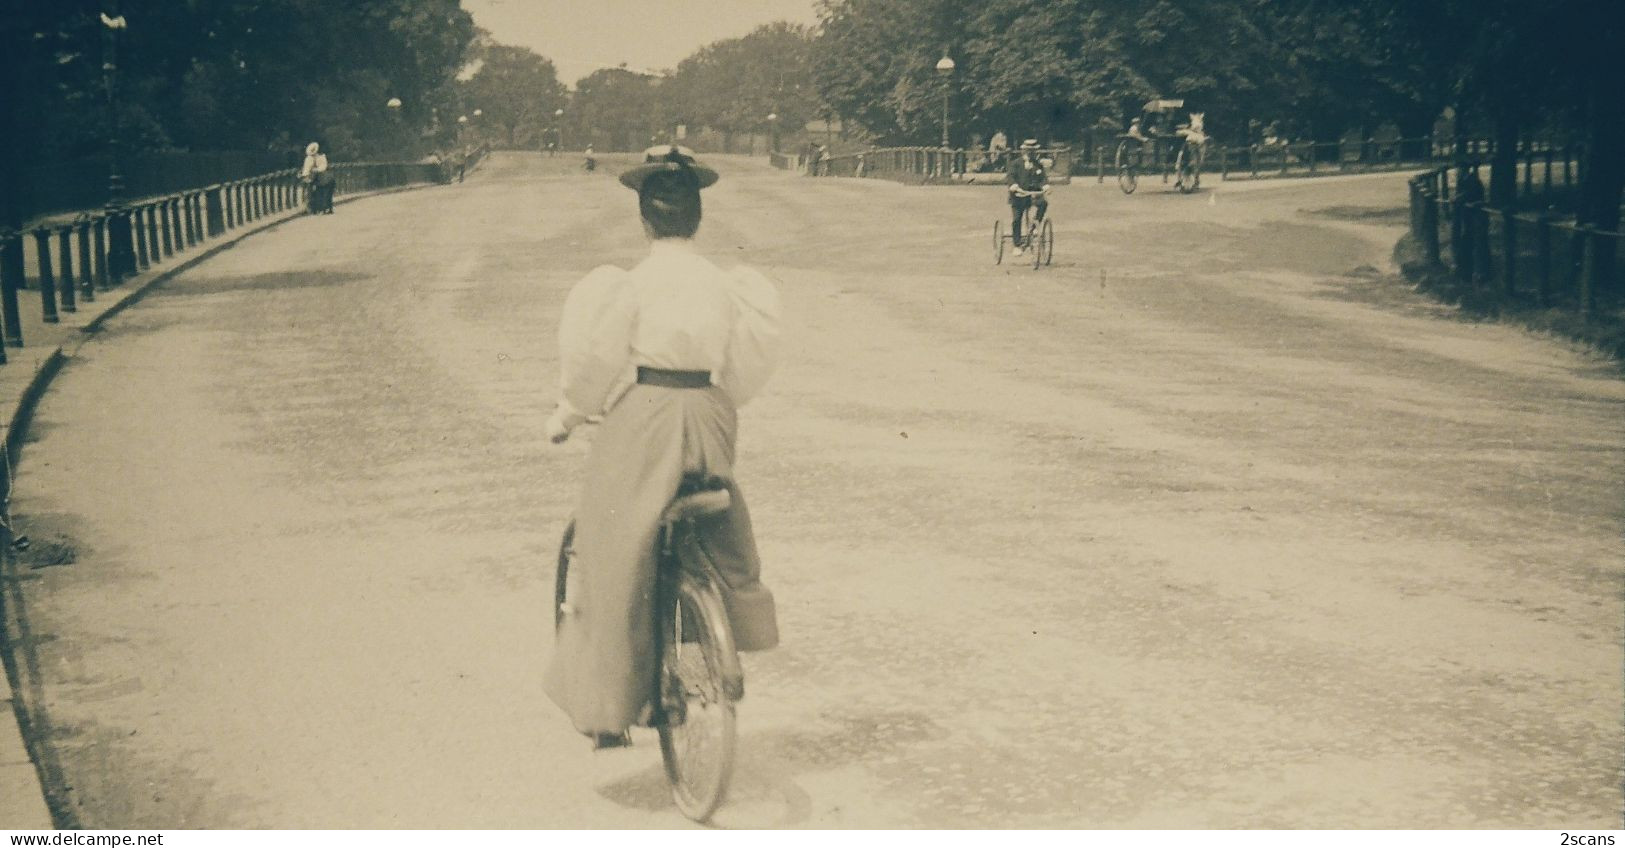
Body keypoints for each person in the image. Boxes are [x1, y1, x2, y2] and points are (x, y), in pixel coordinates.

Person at [542, 145, 781, 750]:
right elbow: (746, 374)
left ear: (645, 221)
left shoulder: (630, 285)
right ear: (697, 220)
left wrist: (570, 414)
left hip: (647, 416)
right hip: (710, 414)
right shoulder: (730, 286)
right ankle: (724, 622)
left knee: (611, 544)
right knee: (711, 514)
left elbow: (595, 364)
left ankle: (608, 705)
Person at [1006, 139, 1050, 254]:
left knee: (1043, 203)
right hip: (1018, 196)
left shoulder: (1038, 165)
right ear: (1023, 151)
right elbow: (1010, 176)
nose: (1030, 153)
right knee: (1017, 219)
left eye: (1033, 151)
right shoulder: (1015, 164)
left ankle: (1035, 227)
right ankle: (1017, 245)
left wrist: (1045, 186)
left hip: (1032, 195)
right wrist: (1014, 186)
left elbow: (1043, 178)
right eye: (1028, 151)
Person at [300, 142, 334, 214]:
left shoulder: (321, 157)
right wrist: (306, 175)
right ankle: (313, 207)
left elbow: (323, 167)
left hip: (322, 176)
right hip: (313, 176)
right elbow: (306, 168)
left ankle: (326, 207)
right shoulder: (308, 159)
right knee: (312, 192)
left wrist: (316, 170)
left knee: (325, 191)